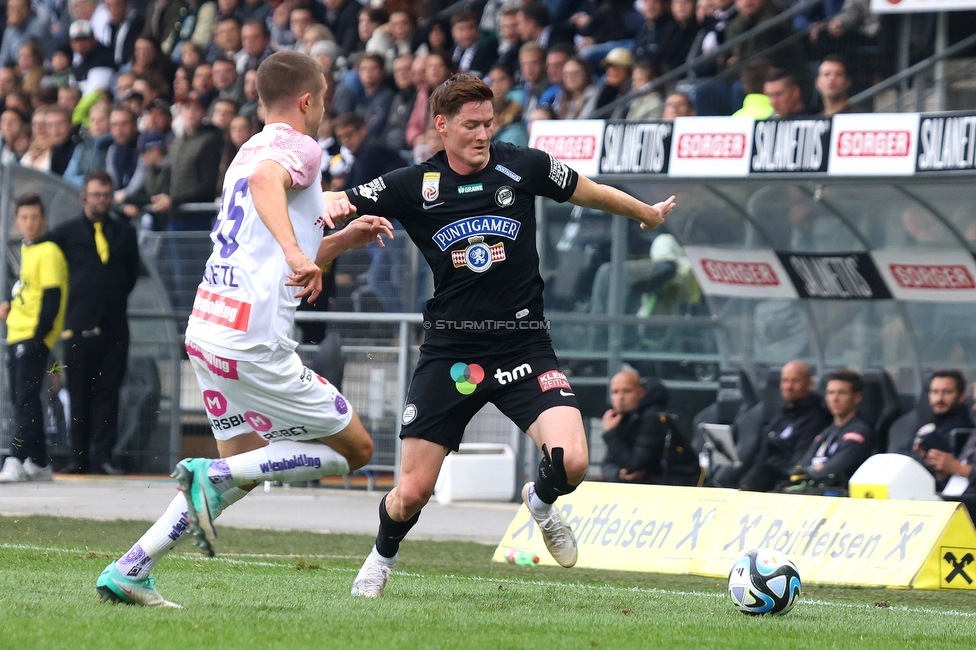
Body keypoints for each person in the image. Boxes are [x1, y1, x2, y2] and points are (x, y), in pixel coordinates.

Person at [326, 73, 676, 597]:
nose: (483, 134)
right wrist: (332, 204)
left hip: (523, 344)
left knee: (574, 461)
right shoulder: (412, 185)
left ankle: (540, 502)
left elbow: (590, 190)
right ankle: (380, 559)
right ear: (441, 125)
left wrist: (644, 212)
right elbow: (339, 203)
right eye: (471, 125)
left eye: (489, 123)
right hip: (452, 353)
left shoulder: (522, 164)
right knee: (413, 492)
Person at [94, 50, 394, 608]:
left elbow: (267, 248)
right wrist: (296, 251)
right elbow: (267, 191)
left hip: (209, 330)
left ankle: (132, 567)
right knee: (355, 450)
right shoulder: (297, 147)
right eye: (324, 96)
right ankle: (210, 474)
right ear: (307, 100)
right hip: (253, 344)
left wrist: (329, 246)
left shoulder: (245, 151)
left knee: (243, 467)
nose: (325, 106)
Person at [46, 171, 139, 476]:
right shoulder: (66, 233)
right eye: (96, 194)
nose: (102, 200)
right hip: (78, 325)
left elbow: (130, 274)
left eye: (106, 195)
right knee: (79, 391)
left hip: (113, 325)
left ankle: (103, 457)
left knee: (108, 393)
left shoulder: (124, 231)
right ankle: (79, 457)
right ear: (84, 196)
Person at [0, 194, 68, 483]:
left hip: (32, 336)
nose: (29, 223)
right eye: (24, 217)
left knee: (25, 400)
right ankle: (38, 461)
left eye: (34, 217)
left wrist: (38, 338)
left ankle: (15, 458)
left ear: (43, 219)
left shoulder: (49, 251)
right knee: (22, 397)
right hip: (19, 333)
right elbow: (29, 292)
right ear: (17, 221)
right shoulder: (28, 250)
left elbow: (52, 298)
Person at [739, 360, 831, 492]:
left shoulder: (816, 418)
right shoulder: (783, 414)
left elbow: (798, 465)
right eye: (785, 381)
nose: (789, 386)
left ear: (809, 384)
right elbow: (762, 454)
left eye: (795, 381)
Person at [782, 369, 872, 493]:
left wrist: (813, 471)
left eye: (842, 393)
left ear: (857, 397)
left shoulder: (859, 432)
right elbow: (801, 466)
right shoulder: (826, 432)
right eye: (830, 393)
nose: (834, 399)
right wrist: (809, 470)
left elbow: (833, 470)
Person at [600, 370, 696, 485]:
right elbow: (607, 462)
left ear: (641, 392)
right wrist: (618, 474)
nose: (620, 397)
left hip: (672, 486)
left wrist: (610, 433)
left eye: (627, 391)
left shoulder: (652, 418)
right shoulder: (620, 418)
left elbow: (634, 465)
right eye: (615, 392)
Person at [901, 370, 973, 458]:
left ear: (961, 396)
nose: (939, 399)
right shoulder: (928, 426)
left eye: (947, 392)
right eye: (935, 392)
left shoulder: (964, 431)